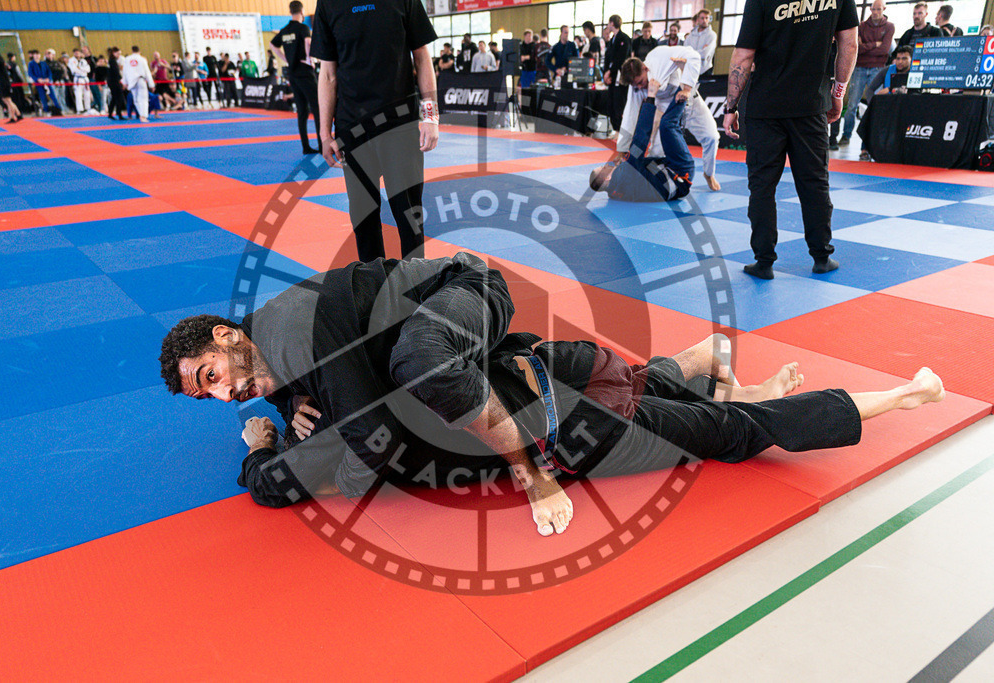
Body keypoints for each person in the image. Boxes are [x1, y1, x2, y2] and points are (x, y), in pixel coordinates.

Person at [160, 253, 947, 535]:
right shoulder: (284, 347)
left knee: (723, 435)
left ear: (227, 338)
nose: (226, 397)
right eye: (210, 398)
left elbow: (352, 465)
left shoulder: (300, 339)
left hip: (550, 420)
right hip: (526, 362)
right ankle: (699, 360)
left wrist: (267, 457)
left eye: (211, 378)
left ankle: (900, 397)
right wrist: (286, 417)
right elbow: (316, 400)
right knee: (634, 384)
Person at [723, 0, 859, 280]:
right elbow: (849, 44)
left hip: (765, 107)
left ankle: (763, 262)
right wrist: (837, 94)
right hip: (810, 106)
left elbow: (743, 56)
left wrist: (730, 107)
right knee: (814, 184)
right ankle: (821, 257)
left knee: (762, 187)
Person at [312, 0, 439, 263]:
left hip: (399, 125)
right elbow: (327, 74)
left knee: (409, 215)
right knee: (363, 217)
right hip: (352, 129)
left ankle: (414, 286)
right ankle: (373, 289)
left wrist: (430, 117)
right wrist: (325, 134)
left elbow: (422, 56)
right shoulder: (329, 4)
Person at [618, 47, 721, 192]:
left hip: (690, 102)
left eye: (641, 82)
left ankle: (709, 174)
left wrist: (686, 87)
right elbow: (631, 113)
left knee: (712, 137)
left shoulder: (660, 56)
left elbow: (694, 56)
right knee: (656, 154)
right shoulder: (637, 86)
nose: (641, 87)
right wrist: (622, 147)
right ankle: (653, 182)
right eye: (637, 85)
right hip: (665, 112)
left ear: (645, 68)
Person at [839, 0, 895, 146]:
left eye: (878, 9)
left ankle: (870, 140)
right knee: (852, 105)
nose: (875, 12)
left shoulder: (889, 27)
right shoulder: (862, 26)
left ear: (884, 9)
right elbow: (857, 47)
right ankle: (846, 135)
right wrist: (874, 44)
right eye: (873, 9)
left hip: (877, 69)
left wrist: (866, 46)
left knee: (874, 104)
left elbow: (884, 50)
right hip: (859, 68)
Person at [270, 1, 322, 155]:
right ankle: (322, 145)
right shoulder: (303, 28)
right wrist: (309, 58)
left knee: (302, 111)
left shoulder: (284, 30)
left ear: (290, 11)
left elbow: (273, 45)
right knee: (317, 109)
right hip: (305, 72)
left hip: (292, 73)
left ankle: (305, 146)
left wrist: (286, 59)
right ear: (302, 11)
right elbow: (308, 41)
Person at [603, 14, 632, 131]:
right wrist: (606, 73)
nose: (608, 26)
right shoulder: (612, 41)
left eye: (609, 23)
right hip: (611, 77)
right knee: (611, 105)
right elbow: (608, 59)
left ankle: (621, 130)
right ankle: (615, 128)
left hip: (620, 77)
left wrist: (610, 71)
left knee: (619, 104)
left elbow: (622, 58)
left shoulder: (624, 38)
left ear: (612, 23)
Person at [122, 46, 155, 123]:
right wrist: (151, 84)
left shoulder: (127, 59)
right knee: (143, 99)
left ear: (132, 51)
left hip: (131, 81)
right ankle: (143, 116)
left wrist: (125, 82)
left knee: (136, 99)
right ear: (139, 51)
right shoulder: (142, 59)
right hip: (141, 80)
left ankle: (141, 114)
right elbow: (147, 72)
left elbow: (125, 72)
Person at [28, 50, 61, 115]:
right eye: (35, 55)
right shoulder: (31, 64)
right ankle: (46, 110)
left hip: (47, 81)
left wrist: (48, 78)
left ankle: (58, 109)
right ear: (33, 56)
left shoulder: (43, 63)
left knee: (53, 95)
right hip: (39, 83)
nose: (37, 56)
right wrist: (37, 79)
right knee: (43, 96)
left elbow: (49, 72)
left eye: (38, 55)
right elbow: (30, 73)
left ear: (40, 55)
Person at [685, 10, 716, 75]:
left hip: (705, 70)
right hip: (691, 68)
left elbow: (705, 54)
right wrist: (700, 51)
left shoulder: (712, 35)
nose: (704, 20)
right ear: (698, 19)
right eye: (702, 18)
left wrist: (692, 52)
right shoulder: (691, 35)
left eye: (706, 18)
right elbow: (685, 52)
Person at [68, 48, 93, 114]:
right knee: (78, 95)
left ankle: (88, 108)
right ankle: (80, 109)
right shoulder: (71, 60)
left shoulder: (83, 60)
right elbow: (74, 69)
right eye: (75, 53)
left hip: (85, 79)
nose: (77, 54)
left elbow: (88, 69)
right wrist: (82, 70)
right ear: (73, 53)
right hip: (78, 79)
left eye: (78, 52)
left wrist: (81, 69)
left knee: (87, 94)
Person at [106, 47, 127, 120]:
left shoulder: (111, 60)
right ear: (114, 53)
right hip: (114, 82)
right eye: (118, 54)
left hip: (112, 81)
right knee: (119, 97)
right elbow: (116, 72)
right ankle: (119, 113)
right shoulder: (112, 61)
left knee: (114, 98)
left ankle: (111, 113)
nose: (119, 55)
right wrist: (122, 81)